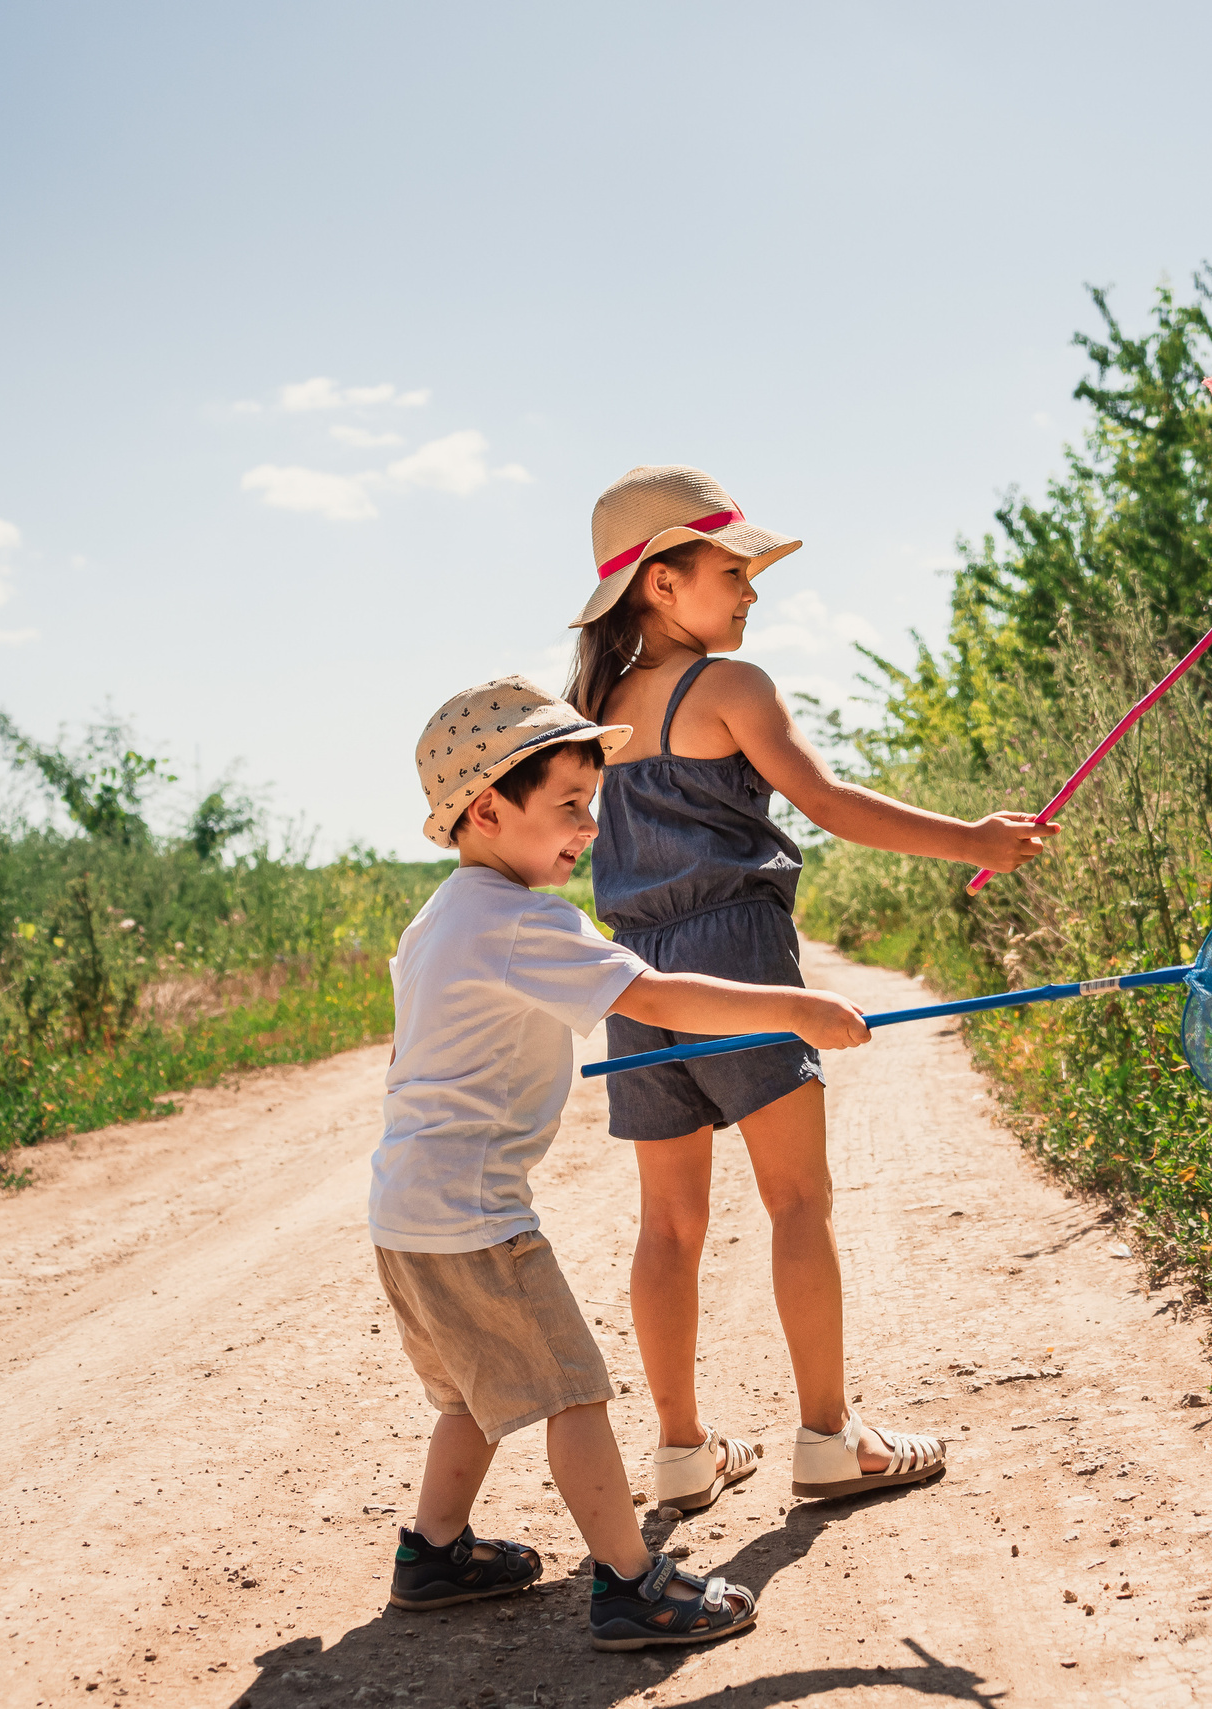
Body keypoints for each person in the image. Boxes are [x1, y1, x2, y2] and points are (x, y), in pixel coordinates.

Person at [563, 465, 1059, 1512]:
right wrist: (971, 838)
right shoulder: (731, 689)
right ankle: (830, 1436)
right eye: (730, 569)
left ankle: (680, 1451)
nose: (750, 591)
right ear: (660, 582)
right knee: (798, 1199)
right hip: (738, 960)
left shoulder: (590, 710)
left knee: (667, 1227)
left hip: (638, 984)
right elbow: (826, 802)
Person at [373, 674, 870, 1651]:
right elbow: (657, 996)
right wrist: (794, 1008)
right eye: (567, 805)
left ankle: (433, 1551)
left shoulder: (438, 917)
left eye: (591, 804)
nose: (588, 827)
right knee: (571, 1390)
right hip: (477, 1218)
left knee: (474, 1389)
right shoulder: (522, 919)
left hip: (403, 1214)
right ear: (487, 807)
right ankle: (632, 1583)